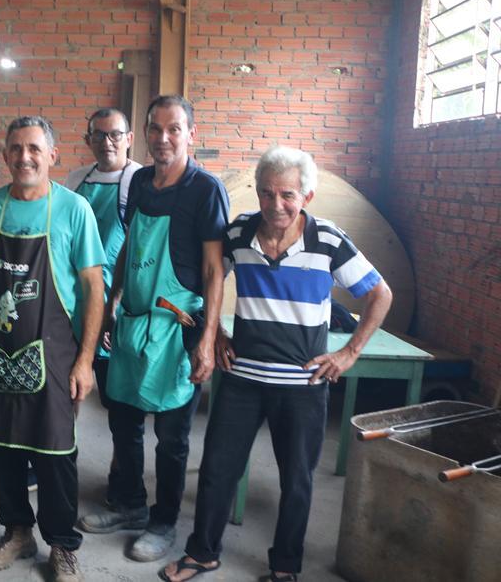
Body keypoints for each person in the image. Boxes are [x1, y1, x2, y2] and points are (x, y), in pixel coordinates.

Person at [160, 146, 393, 582]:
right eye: (266, 193)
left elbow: (380, 294)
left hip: (303, 386)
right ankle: (202, 553)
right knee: (217, 470)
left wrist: (349, 353)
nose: (275, 205)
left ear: (306, 195)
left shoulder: (328, 240)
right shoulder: (239, 234)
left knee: (298, 482)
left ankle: (284, 567)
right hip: (243, 380)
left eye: (287, 194)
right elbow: (209, 283)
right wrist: (215, 334)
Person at [0, 116, 105, 582]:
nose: (25, 157)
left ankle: (62, 544)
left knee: (56, 451)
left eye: (34, 149)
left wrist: (85, 361)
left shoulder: (73, 209)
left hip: (55, 352)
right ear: (5, 155)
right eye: (16, 149)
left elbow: (92, 289)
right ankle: (17, 531)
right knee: (1, 444)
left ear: (52, 155)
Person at [86, 95, 228, 563]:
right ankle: (128, 504)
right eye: (155, 129)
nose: (163, 138)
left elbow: (213, 271)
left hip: (177, 327)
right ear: (144, 133)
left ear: (190, 133)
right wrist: (112, 302)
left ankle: (164, 521)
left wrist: (206, 340)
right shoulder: (142, 181)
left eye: (174, 129)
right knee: (123, 419)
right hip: (134, 319)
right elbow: (130, 245)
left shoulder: (204, 189)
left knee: (172, 435)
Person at [64, 108, 142, 507]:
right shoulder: (76, 181)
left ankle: (120, 474)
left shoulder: (140, 182)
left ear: (129, 138)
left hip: (116, 307)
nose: (107, 142)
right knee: (66, 392)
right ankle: (60, 463)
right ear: (88, 139)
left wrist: (118, 302)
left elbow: (139, 250)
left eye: (115, 135)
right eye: (98, 135)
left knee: (118, 402)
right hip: (72, 304)